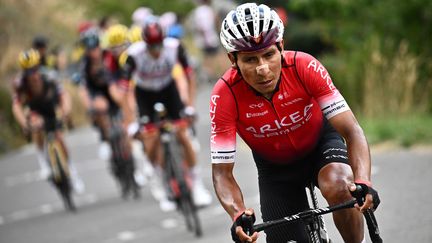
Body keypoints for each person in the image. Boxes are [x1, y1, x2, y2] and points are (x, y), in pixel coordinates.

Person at [210, 3, 380, 243]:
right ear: (233, 59)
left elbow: (351, 131)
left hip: (321, 145)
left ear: (281, 46)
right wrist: (237, 213)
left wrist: (362, 180)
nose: (262, 69)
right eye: (250, 59)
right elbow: (221, 172)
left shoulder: (304, 66)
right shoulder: (224, 94)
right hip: (275, 169)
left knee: (341, 185)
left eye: (269, 54)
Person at [122, 19, 212, 211]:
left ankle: (196, 185)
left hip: (168, 90)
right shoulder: (133, 55)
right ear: (145, 43)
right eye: (151, 46)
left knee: (182, 133)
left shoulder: (175, 46)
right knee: (151, 138)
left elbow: (189, 76)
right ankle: (163, 186)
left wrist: (189, 106)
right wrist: (131, 120)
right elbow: (125, 91)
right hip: (144, 95)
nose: (155, 50)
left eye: (158, 45)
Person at [12, 49, 84, 193]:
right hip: (35, 110)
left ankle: (73, 173)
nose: (33, 75)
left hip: (51, 107)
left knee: (59, 138)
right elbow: (17, 106)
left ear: (39, 66)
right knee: (36, 125)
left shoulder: (49, 76)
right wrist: (24, 124)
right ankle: (43, 163)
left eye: (35, 69)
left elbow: (64, 96)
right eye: (28, 71)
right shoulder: (20, 83)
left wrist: (65, 112)